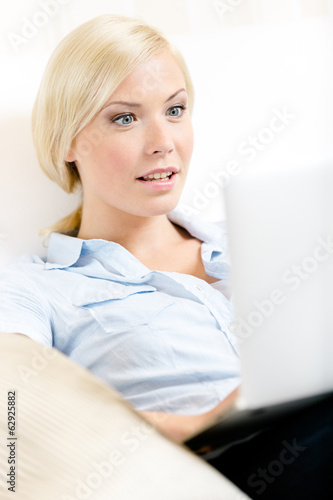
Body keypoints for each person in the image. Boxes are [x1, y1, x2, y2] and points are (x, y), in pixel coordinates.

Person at [0, 14, 332, 499]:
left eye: (174, 111)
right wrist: (188, 425)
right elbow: (12, 421)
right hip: (225, 470)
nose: (163, 144)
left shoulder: (260, 237)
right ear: (70, 140)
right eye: (125, 118)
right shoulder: (36, 289)